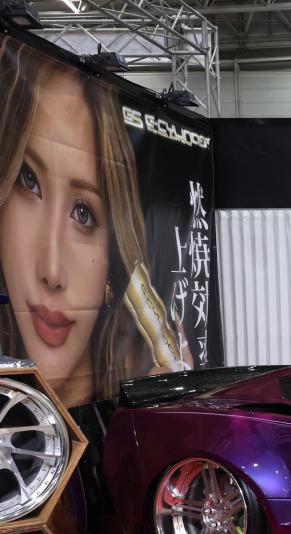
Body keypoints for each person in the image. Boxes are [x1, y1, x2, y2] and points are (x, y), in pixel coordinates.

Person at [0, 38, 187, 407]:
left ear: (113, 250)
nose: (52, 272)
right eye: (28, 179)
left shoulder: (141, 383)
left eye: (83, 213)